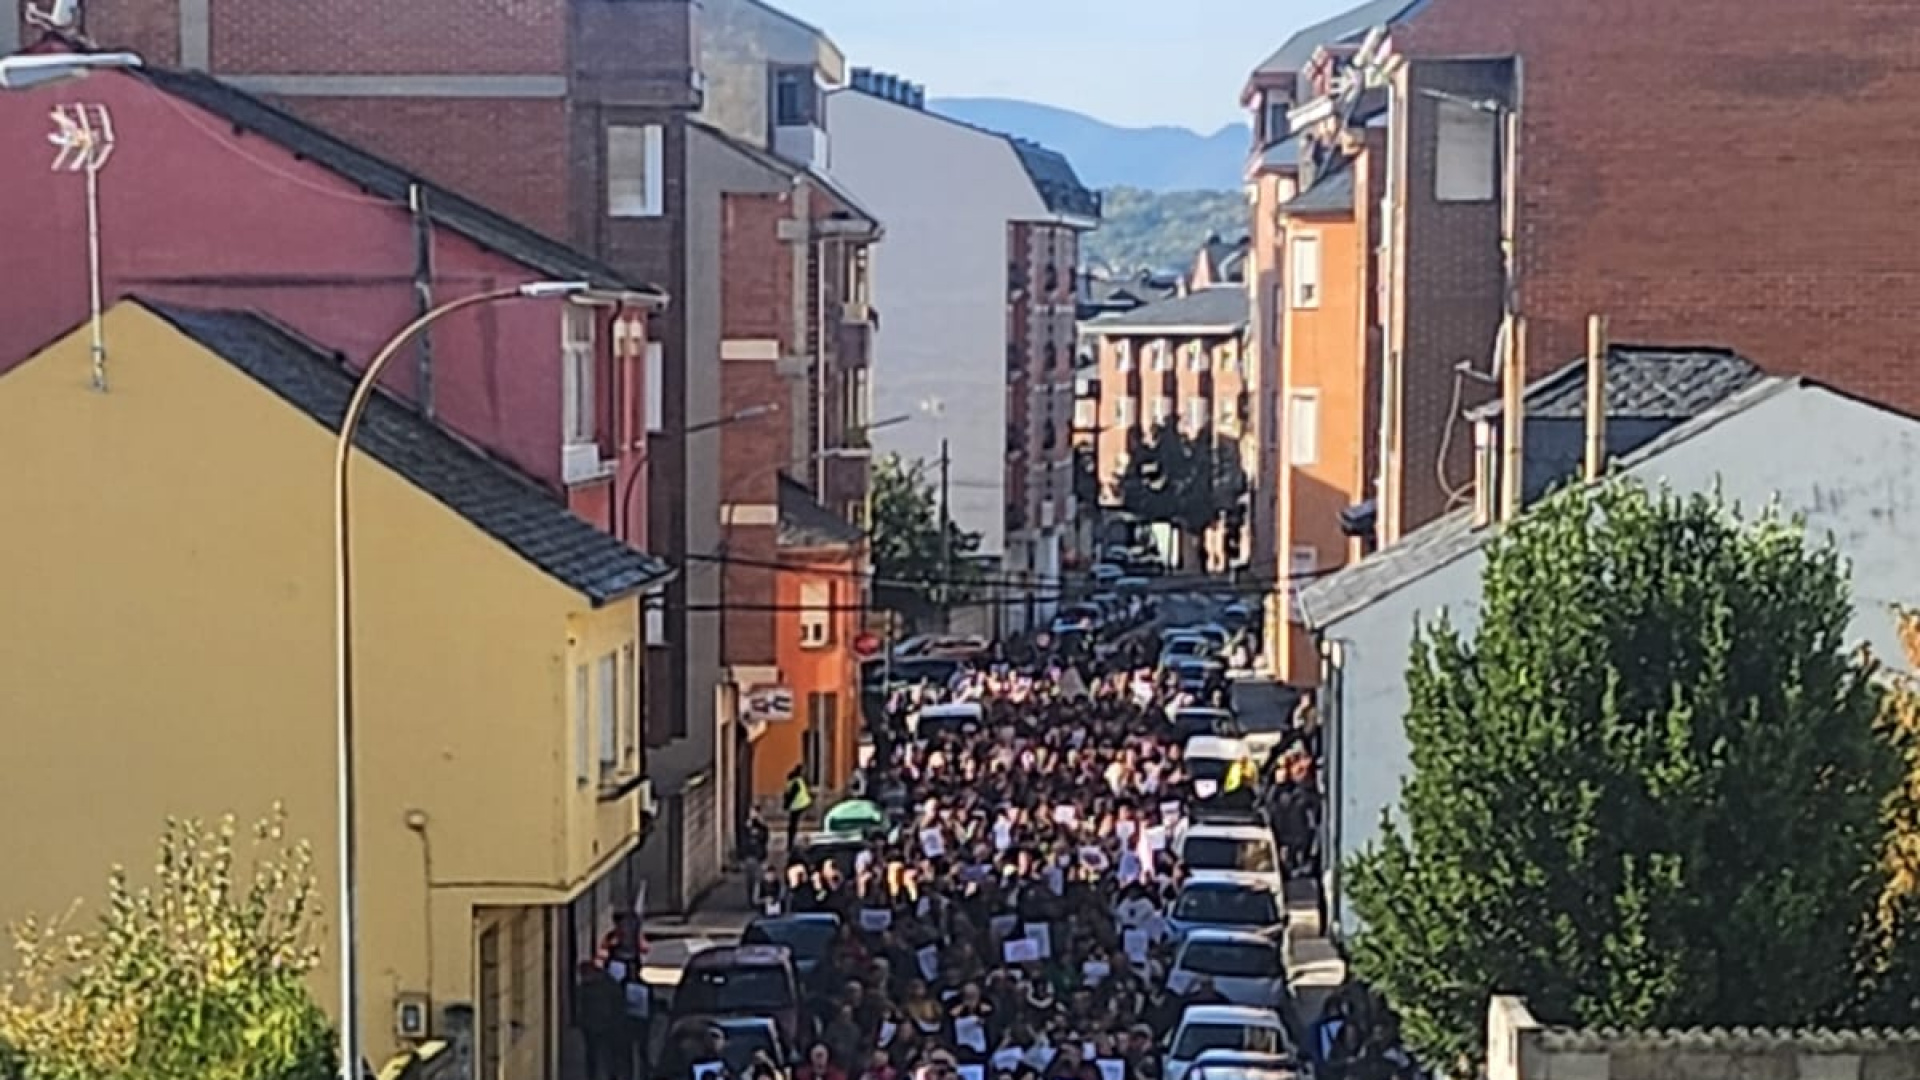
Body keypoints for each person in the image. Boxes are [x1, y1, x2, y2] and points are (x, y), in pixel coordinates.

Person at [575, 961, 631, 1080]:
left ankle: (609, 1075)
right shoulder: (590, 986)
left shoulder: (606, 985)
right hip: (594, 1026)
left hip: (606, 1026)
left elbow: (617, 1004)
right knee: (596, 1055)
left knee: (606, 1055)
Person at [742, 810, 771, 904]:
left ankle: (757, 899)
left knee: (759, 879)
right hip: (750, 856)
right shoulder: (746, 828)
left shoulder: (761, 828)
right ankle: (752, 899)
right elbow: (743, 840)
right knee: (751, 880)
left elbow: (765, 838)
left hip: (759, 857)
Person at [784, 765, 815, 851]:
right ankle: (790, 844)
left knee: (793, 825)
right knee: (793, 825)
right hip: (797, 805)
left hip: (798, 805)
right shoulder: (797, 781)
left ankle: (790, 843)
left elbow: (788, 794)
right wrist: (787, 805)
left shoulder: (796, 780)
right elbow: (791, 794)